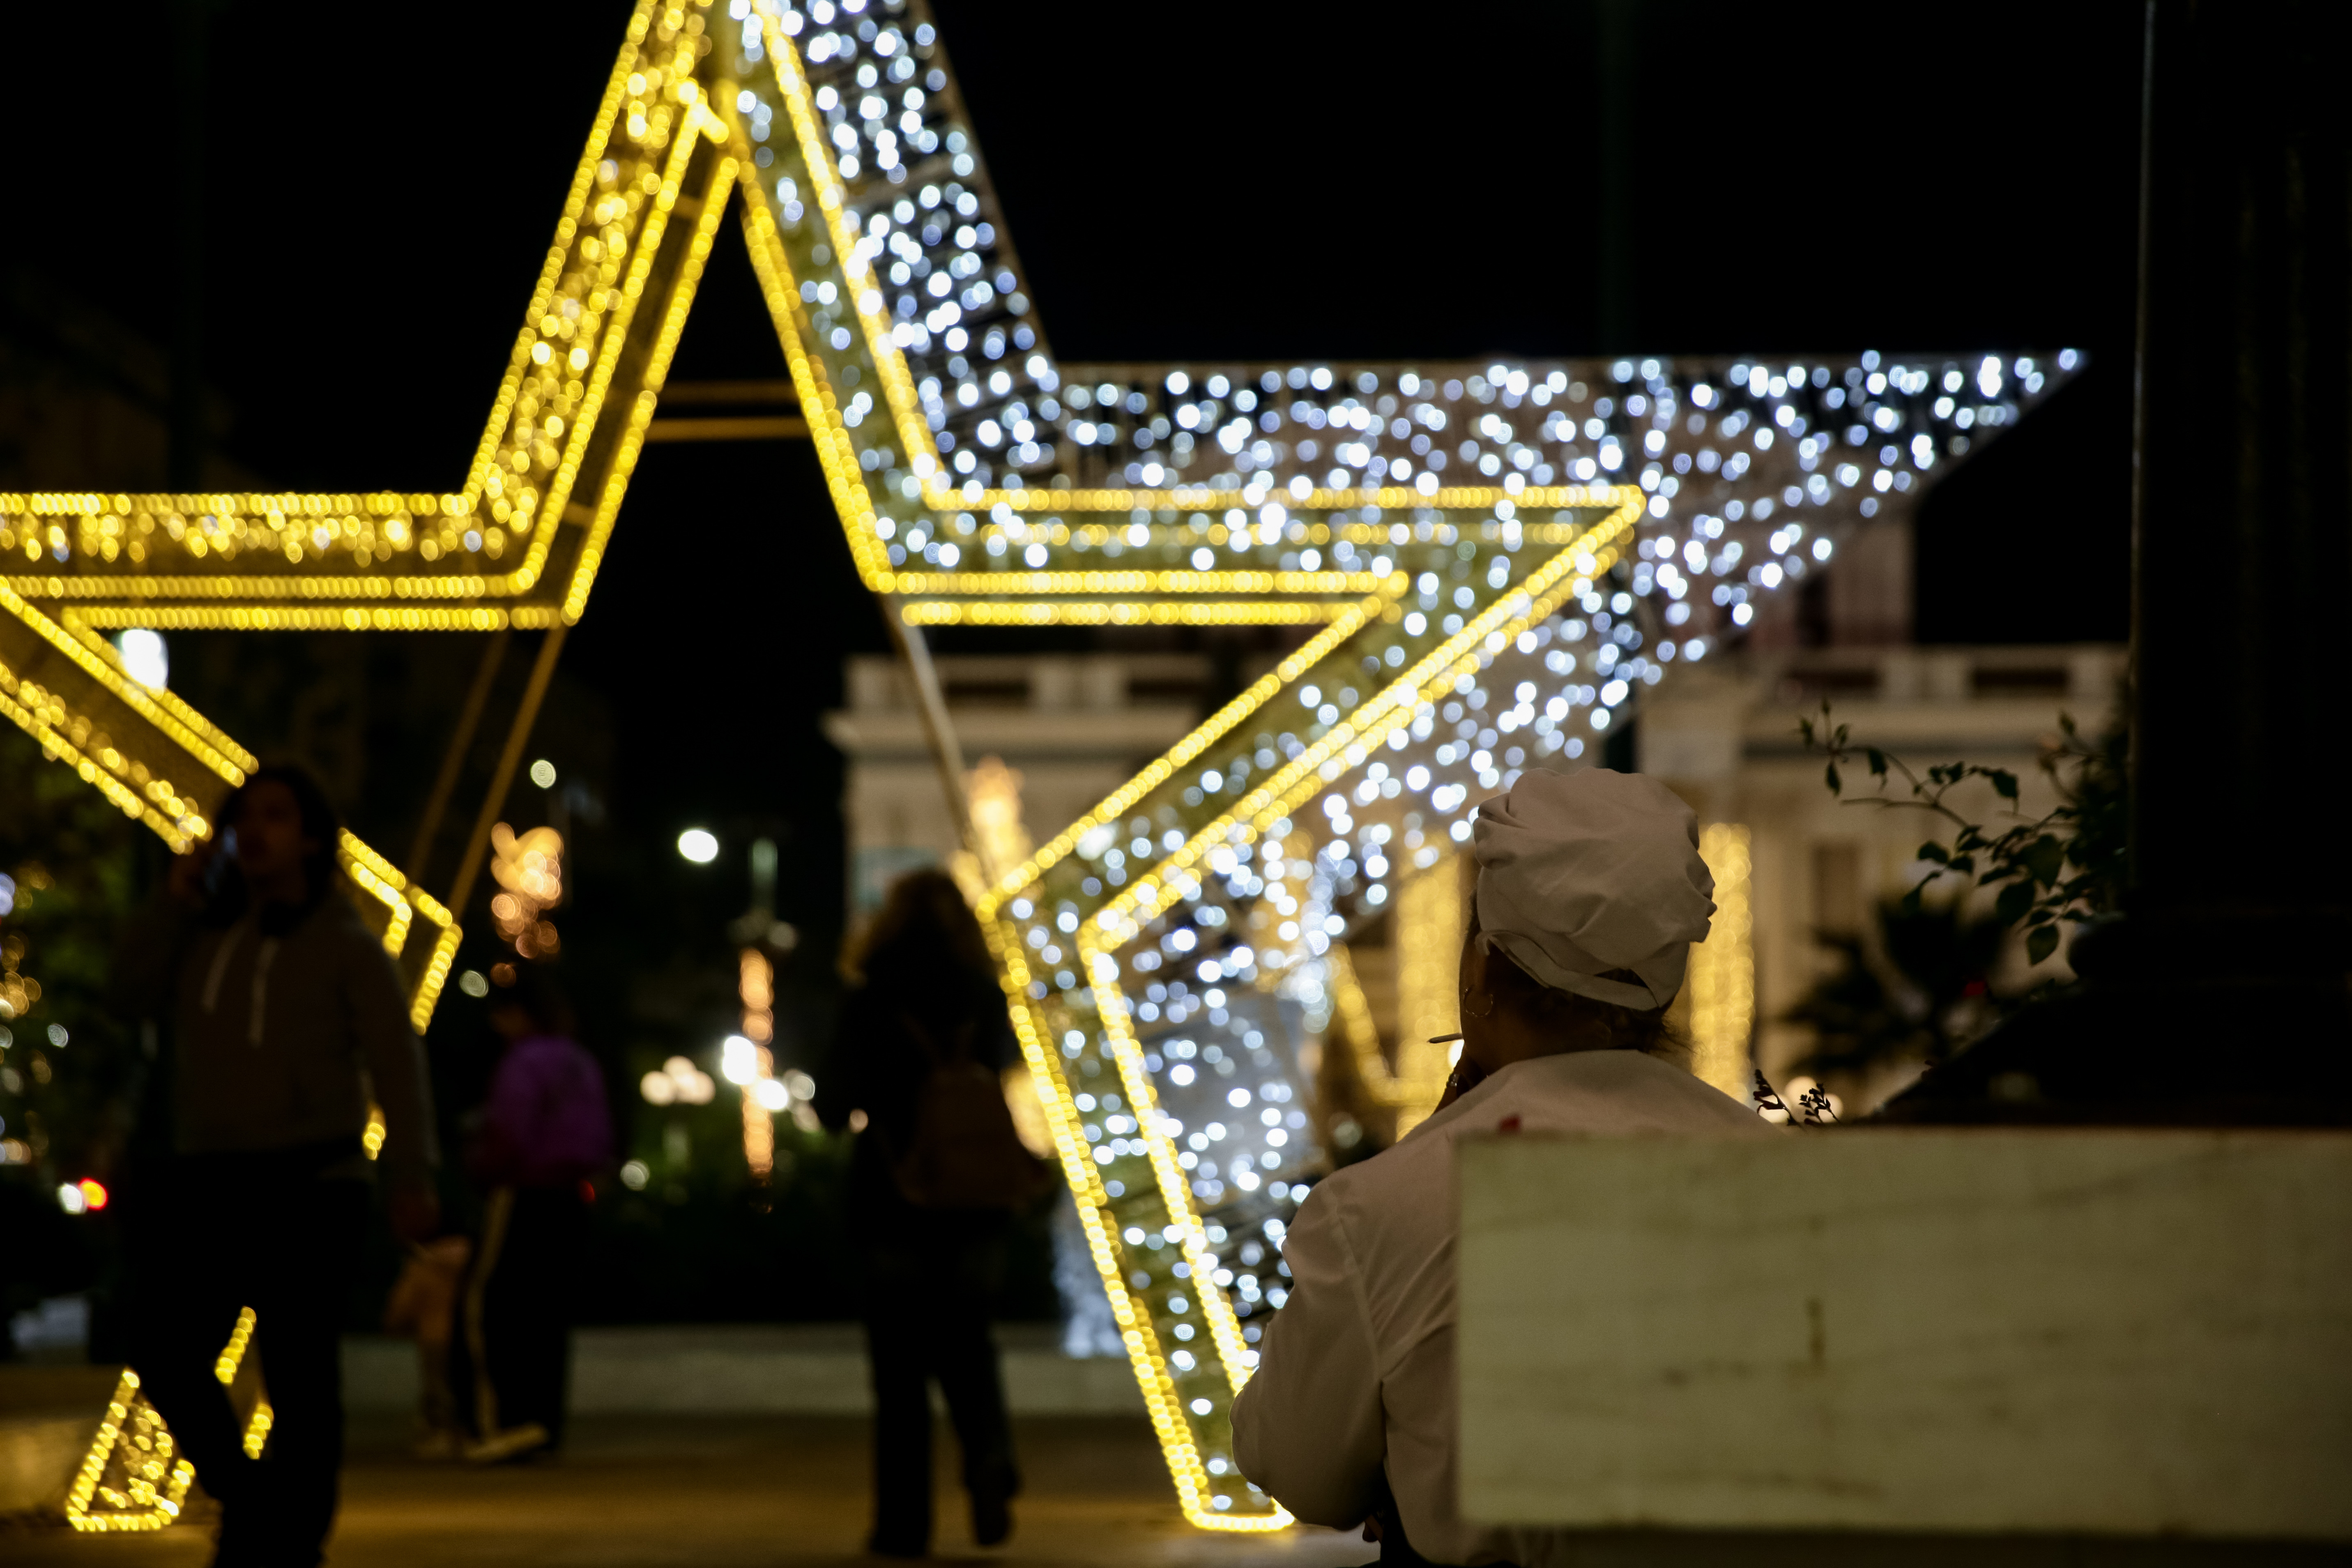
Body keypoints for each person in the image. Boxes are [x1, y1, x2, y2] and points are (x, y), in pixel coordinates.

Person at [1231, 769, 1774, 1568]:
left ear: (1481, 971)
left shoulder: (1382, 1209)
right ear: (1661, 989)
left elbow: (1298, 1468)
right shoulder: (1780, 1177)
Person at [114, 764, 439, 1567]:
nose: (255, 833)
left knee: (300, 1378)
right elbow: (127, 994)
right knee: (164, 1347)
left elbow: (396, 1063)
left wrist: (411, 1172)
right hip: (213, 1180)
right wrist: (173, 899)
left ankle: (290, 1542)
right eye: (243, 819)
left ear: (312, 838)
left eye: (276, 817)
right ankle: (254, 1504)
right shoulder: (201, 935)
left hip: (315, 1183)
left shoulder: (347, 944)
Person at [817, 868, 1044, 1557]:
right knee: (969, 1343)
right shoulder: (981, 993)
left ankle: (903, 1525)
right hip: (974, 1200)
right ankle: (988, 1455)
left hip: (895, 1198)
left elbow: (832, 1106)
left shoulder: (871, 995)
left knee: (899, 1370)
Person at [446, 961, 610, 1462]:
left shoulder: (522, 1063)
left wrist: (481, 1167)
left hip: (523, 1191)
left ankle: (501, 1420)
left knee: (490, 1304)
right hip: (571, 1195)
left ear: (516, 1015)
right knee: (547, 1313)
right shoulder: (579, 1061)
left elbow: (509, 1132)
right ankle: (542, 1422)